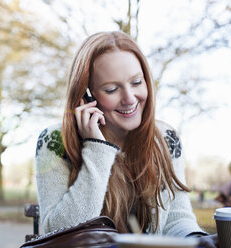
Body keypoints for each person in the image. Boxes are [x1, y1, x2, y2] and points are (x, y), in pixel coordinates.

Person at [35, 31, 217, 247]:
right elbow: (61, 235)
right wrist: (96, 149)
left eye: (137, 82)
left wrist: (198, 242)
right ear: (86, 95)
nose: (130, 99)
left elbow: (177, 219)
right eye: (112, 89)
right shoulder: (54, 142)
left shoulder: (166, 139)